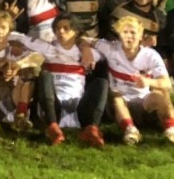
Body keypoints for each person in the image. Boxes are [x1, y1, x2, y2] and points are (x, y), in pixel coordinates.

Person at [8, 13, 108, 147]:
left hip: (78, 108)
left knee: (102, 83)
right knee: (45, 75)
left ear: (76, 31)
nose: (61, 31)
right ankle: (52, 127)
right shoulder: (48, 48)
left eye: (66, 28)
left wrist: (86, 45)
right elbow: (18, 37)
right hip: (54, 107)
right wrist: (15, 44)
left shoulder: (87, 54)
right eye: (57, 28)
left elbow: (111, 47)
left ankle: (91, 128)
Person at [90, 16, 174, 145]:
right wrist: (85, 48)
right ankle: (130, 130)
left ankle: (170, 130)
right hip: (120, 105)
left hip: (144, 103)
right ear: (119, 35)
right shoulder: (110, 48)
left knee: (162, 93)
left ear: (141, 36)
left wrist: (148, 82)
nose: (129, 36)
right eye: (124, 32)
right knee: (116, 95)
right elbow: (85, 40)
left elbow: (167, 83)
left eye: (133, 32)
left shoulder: (150, 55)